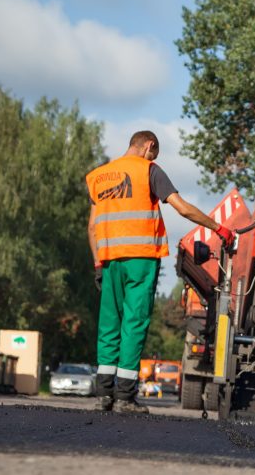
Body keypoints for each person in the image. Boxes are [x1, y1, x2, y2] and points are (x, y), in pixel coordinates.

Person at [86, 130, 234, 414]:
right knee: (134, 323)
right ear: (149, 146)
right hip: (140, 259)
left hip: (107, 261)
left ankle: (103, 394)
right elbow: (181, 207)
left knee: (109, 324)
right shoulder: (149, 170)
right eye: (154, 153)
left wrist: (97, 264)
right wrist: (218, 228)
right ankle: (125, 398)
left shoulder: (99, 176)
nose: (153, 157)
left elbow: (92, 227)